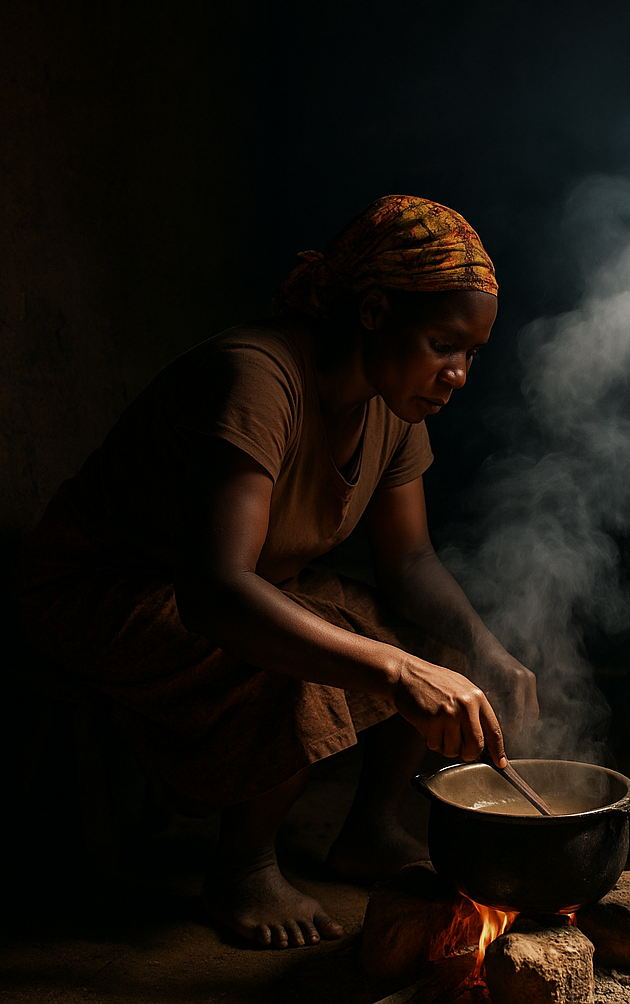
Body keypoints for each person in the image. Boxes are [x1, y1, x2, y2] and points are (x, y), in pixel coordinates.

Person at [19, 195, 540, 949]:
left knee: (441, 649)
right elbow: (217, 591)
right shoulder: (257, 378)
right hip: (106, 589)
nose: (457, 374)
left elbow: (413, 563)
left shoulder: (396, 404)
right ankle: (242, 871)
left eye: (470, 354)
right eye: (441, 343)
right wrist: (394, 671)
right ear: (371, 310)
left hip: (238, 583)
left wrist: (483, 650)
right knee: (311, 665)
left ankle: (366, 830)